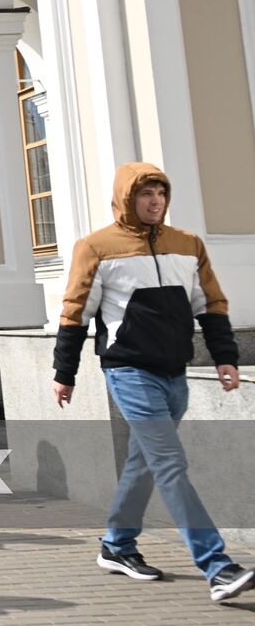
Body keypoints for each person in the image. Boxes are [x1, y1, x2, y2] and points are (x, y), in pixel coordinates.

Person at [53, 163, 251, 603]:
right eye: (146, 193)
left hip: (174, 372)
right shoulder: (97, 247)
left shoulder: (187, 245)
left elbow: (211, 303)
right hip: (128, 371)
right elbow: (76, 312)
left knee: (144, 464)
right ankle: (217, 566)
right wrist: (64, 373)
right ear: (128, 198)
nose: (155, 200)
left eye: (161, 192)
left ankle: (117, 545)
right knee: (169, 464)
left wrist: (225, 358)